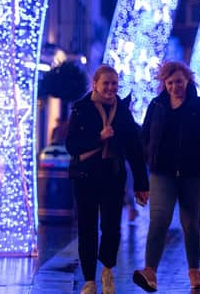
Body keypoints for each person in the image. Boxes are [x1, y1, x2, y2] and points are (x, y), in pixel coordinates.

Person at [133, 61, 200, 292]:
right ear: (164, 84)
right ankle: (150, 271)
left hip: (194, 174)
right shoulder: (156, 106)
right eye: (170, 82)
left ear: (188, 81)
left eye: (179, 82)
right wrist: (148, 161)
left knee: (191, 223)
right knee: (159, 220)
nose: (175, 87)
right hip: (162, 173)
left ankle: (194, 271)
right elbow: (145, 137)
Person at [66, 65, 149, 294]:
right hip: (86, 176)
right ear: (95, 84)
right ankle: (90, 281)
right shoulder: (81, 108)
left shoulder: (122, 111)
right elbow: (71, 145)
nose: (111, 88)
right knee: (87, 228)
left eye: (114, 83)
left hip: (113, 176)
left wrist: (142, 184)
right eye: (106, 83)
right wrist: (98, 137)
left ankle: (108, 270)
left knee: (112, 227)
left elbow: (134, 149)